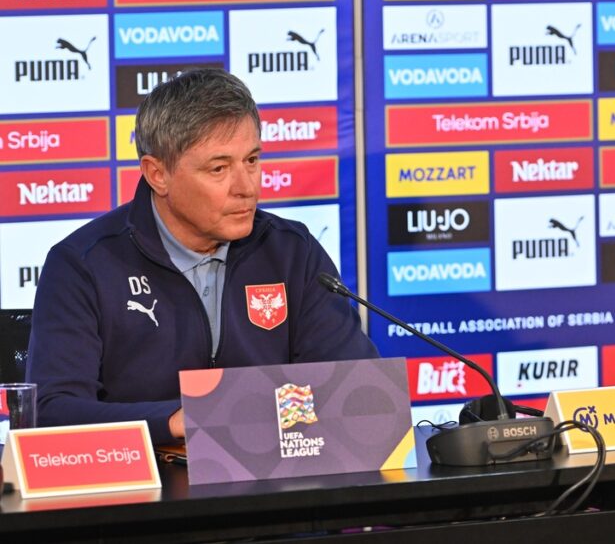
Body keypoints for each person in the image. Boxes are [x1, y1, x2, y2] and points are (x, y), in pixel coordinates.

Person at [27, 69, 378, 444]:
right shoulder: (83, 264)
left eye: (252, 161)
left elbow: (360, 393)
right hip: (147, 492)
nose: (247, 188)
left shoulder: (292, 251)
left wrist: (257, 418)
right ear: (157, 174)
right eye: (219, 168)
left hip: (277, 490)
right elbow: (51, 411)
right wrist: (177, 421)